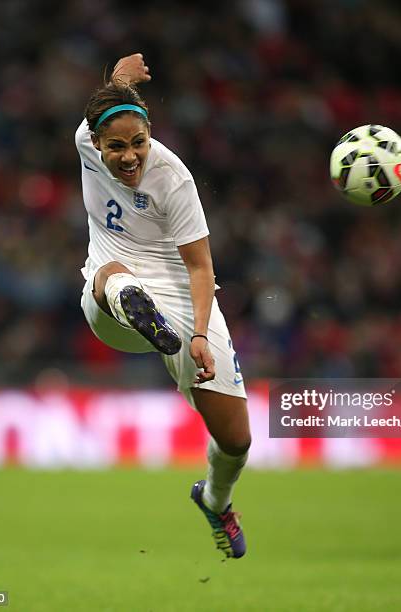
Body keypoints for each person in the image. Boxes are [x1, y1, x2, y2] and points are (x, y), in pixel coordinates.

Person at [76, 54, 251, 558]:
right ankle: (130, 301)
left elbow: (200, 268)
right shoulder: (83, 140)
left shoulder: (174, 179)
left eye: (139, 143)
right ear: (95, 142)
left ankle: (215, 501)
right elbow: (110, 98)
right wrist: (118, 76)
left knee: (236, 441)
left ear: (151, 133)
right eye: (117, 147)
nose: (130, 156)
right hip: (109, 295)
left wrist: (198, 333)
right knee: (113, 279)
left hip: (181, 296)